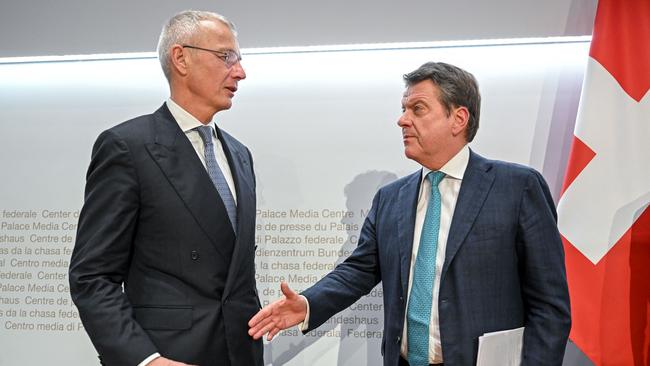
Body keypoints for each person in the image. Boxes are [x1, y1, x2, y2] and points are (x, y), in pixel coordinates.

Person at [248, 62, 571, 366]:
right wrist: (308, 304)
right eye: (403, 109)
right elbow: (359, 270)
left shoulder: (517, 187)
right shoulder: (391, 198)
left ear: (458, 119)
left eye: (417, 109)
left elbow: (549, 305)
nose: (402, 120)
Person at [69, 10, 262, 366]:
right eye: (226, 57)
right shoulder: (127, 147)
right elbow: (92, 276)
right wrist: (146, 359)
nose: (240, 71)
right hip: (169, 356)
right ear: (181, 58)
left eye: (239, 59)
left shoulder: (239, 154)